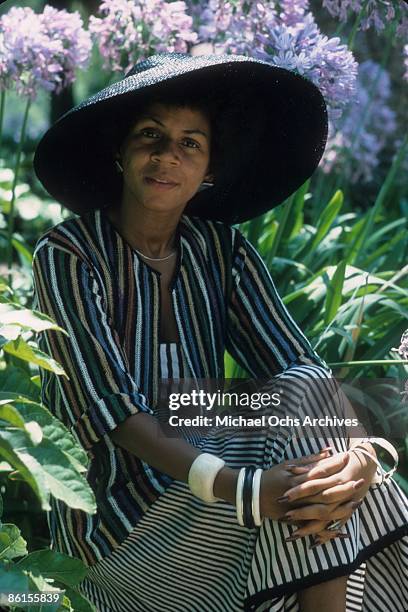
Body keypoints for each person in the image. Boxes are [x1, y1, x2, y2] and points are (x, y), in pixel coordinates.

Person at [32, 53, 408, 611]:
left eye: (190, 143)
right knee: (309, 488)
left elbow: (301, 370)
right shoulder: (68, 253)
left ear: (209, 168)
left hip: (213, 490)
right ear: (120, 150)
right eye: (149, 135)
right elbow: (106, 409)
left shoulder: (220, 249)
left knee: (325, 464)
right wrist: (248, 490)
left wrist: (359, 454)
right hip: (116, 526)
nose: (166, 156)